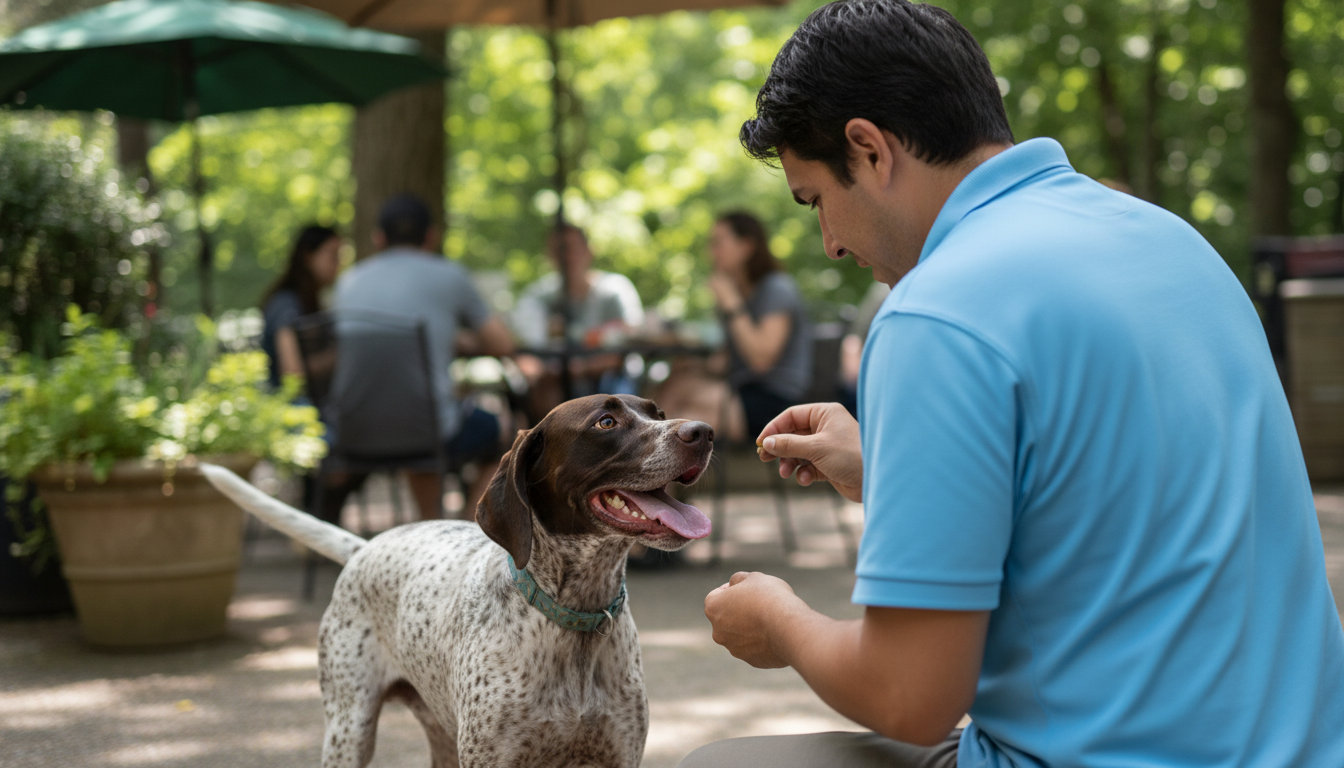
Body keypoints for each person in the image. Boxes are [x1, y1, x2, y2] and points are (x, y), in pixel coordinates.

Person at [683, 2, 1344, 767]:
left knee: (716, 763)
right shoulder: (1169, 239)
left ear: (868, 149)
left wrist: (781, 622)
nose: (829, 243)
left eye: (816, 200)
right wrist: (892, 473)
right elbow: (1121, 501)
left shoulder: (934, 313)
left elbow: (910, 696)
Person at [332, 194, 514, 520]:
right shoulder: (450, 275)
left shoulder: (348, 281)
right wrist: (459, 341)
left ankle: (431, 523)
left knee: (421, 418)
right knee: (501, 430)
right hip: (428, 432)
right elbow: (502, 343)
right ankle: (467, 528)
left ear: (379, 238)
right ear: (430, 236)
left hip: (352, 432)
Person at [511, 223, 645, 419]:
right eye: (559, 250)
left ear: (589, 251)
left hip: (611, 380)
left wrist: (576, 369)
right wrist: (542, 372)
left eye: (572, 248)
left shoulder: (614, 290)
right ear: (550, 256)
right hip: (558, 382)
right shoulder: (539, 295)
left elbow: (624, 349)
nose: (567, 257)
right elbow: (525, 349)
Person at [708, 211, 812, 438]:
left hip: (776, 400)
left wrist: (732, 304)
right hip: (743, 390)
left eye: (718, 243)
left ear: (746, 246)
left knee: (687, 411)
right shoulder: (740, 293)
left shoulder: (776, 288)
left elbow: (760, 360)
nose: (712, 252)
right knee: (678, 387)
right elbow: (729, 360)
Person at [260, 224, 343, 391]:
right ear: (308, 256)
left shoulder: (312, 301)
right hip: (290, 404)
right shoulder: (285, 304)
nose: (338, 264)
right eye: (333, 256)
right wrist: (338, 357)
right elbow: (292, 374)